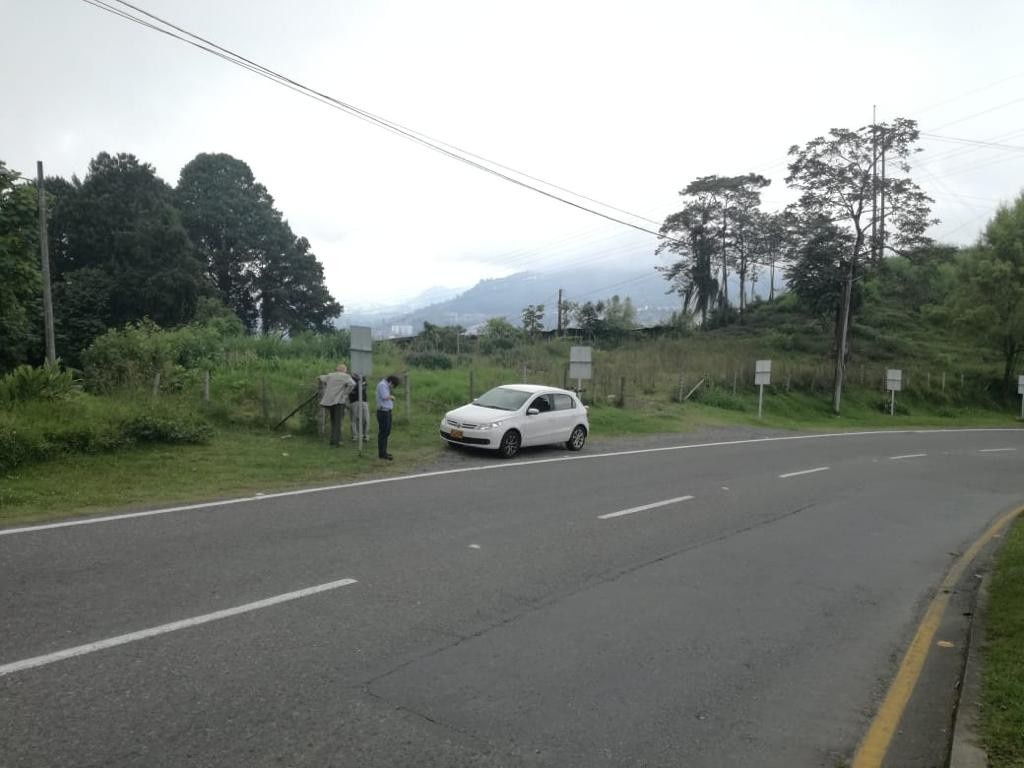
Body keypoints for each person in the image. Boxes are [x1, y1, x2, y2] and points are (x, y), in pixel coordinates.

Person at [317, 363, 355, 447]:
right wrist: (345, 393)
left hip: (330, 401)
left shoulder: (331, 375)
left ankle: (332, 440)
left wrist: (324, 384)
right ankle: (336, 442)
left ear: (337, 369)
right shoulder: (346, 376)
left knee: (333, 421)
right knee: (338, 422)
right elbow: (352, 384)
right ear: (344, 370)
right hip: (339, 401)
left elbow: (321, 378)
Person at [376, 374, 400, 460]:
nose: (392, 387)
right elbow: (384, 396)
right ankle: (382, 453)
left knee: (387, 432)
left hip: (387, 411)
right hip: (383, 411)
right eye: (393, 385)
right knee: (383, 433)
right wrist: (391, 397)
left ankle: (384, 451)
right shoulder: (382, 385)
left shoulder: (386, 386)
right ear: (390, 382)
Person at [348, 372, 370, 442]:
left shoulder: (363, 377)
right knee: (354, 419)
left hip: (363, 400)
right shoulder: (349, 378)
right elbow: (351, 389)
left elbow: (365, 385)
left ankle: (365, 435)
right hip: (354, 401)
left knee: (366, 419)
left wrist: (357, 386)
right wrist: (359, 385)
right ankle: (355, 436)